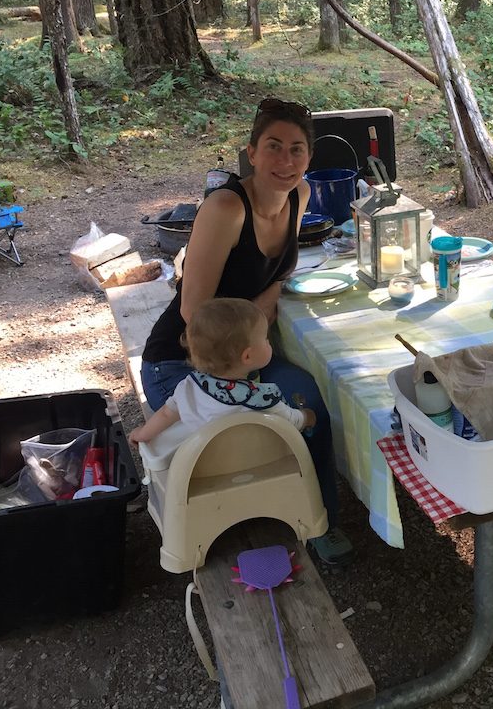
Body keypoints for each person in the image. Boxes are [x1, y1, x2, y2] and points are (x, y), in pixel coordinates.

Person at [138, 98, 353, 565]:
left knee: (307, 399)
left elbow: (277, 274)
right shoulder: (226, 207)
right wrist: (254, 332)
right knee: (240, 434)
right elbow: (196, 313)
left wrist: (266, 308)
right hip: (188, 361)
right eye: (273, 147)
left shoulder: (301, 195)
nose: (285, 161)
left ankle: (317, 520)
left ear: (309, 159)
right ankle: (219, 523)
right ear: (251, 153)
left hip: (247, 358)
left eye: (297, 150)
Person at [128, 298, 315, 446]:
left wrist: (142, 434)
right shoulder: (261, 398)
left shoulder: (189, 386)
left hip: (204, 467)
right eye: (265, 338)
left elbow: (166, 414)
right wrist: (308, 416)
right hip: (257, 466)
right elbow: (292, 422)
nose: (268, 342)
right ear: (247, 357)